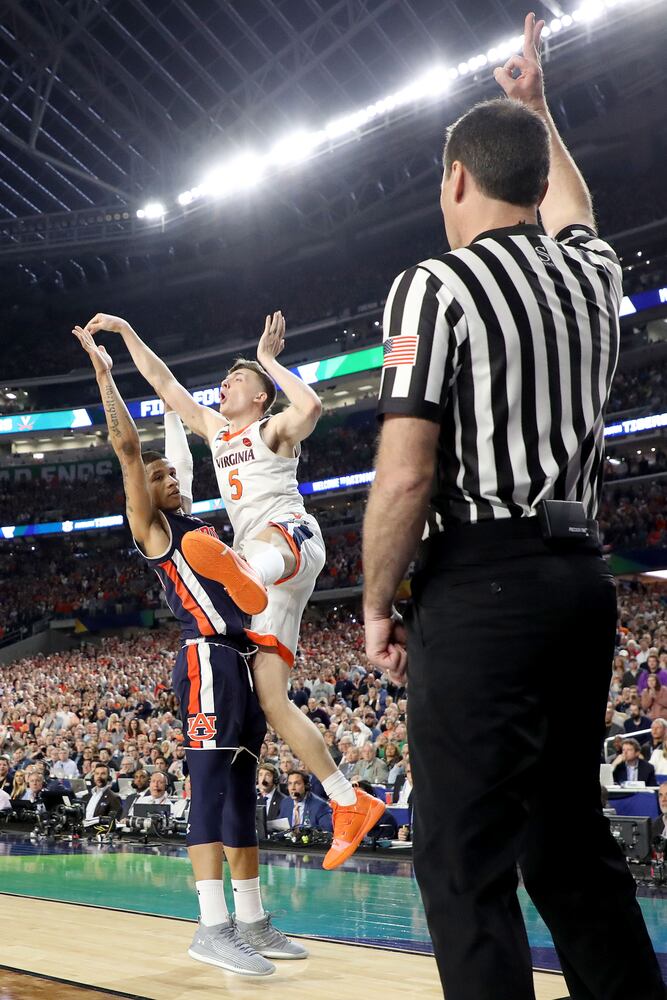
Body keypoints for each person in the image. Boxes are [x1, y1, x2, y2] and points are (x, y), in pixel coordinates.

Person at [361, 13, 664, 1000]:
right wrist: (538, 109)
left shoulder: (433, 287)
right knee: (568, 846)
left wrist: (373, 601)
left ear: (455, 178)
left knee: (463, 862)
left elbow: (405, 472)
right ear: (534, 185)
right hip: (581, 581)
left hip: (481, 582)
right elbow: (571, 201)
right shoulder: (591, 274)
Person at [80, 310, 384, 870]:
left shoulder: (271, 430)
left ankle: (243, 572)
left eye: (236, 380)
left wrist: (267, 361)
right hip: (266, 589)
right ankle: (348, 799)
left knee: (252, 553)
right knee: (271, 697)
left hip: (287, 543)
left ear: (261, 398)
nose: (225, 384)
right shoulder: (217, 432)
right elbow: (164, 383)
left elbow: (311, 407)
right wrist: (125, 333)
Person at [72, 328, 304, 976]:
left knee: (240, 793)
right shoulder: (152, 528)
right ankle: (211, 925)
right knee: (207, 790)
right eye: (160, 474)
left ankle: (253, 922)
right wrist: (104, 374)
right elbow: (125, 446)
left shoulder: (200, 527)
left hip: (239, 656)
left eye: (173, 471)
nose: (171, 477)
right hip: (203, 659)